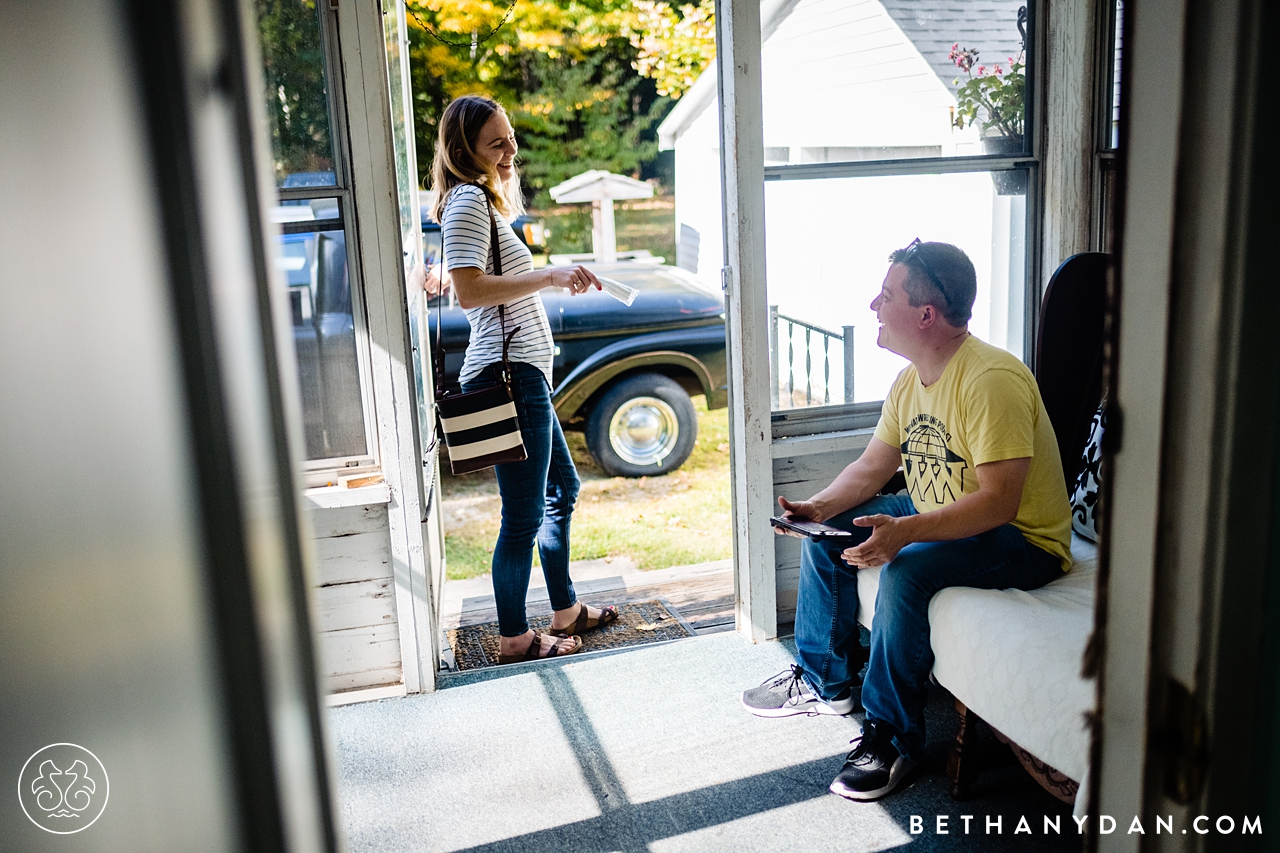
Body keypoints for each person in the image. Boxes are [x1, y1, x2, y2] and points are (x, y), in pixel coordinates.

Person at [741, 240, 1072, 801]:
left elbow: (999, 503)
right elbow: (873, 465)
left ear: (926, 313)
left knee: (907, 569)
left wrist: (906, 535)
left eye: (886, 295)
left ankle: (892, 739)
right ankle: (828, 683)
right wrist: (820, 509)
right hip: (936, 506)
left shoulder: (992, 380)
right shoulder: (910, 380)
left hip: (1020, 538)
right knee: (830, 535)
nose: (873, 304)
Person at [430, 95, 619, 664]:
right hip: (509, 375)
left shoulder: (483, 204)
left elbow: (466, 277)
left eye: (510, 136)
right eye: (496, 142)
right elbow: (470, 291)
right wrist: (551, 275)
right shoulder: (467, 202)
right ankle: (515, 638)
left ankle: (564, 611)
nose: (510, 148)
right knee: (523, 516)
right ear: (465, 151)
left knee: (563, 488)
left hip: (525, 372)